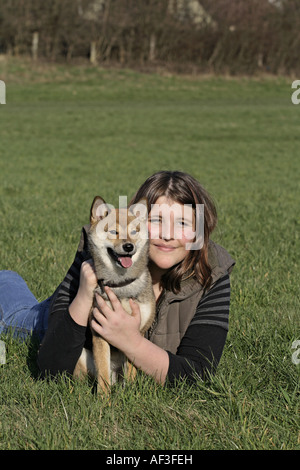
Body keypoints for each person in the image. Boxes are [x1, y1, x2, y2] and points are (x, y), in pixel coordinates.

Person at [0, 171, 235, 385]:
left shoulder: (213, 274)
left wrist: (130, 342)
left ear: (199, 231)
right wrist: (84, 295)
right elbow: (51, 369)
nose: (167, 234)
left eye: (182, 223)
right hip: (53, 326)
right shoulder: (96, 252)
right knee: (12, 317)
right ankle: (6, 279)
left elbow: (199, 375)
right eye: (156, 220)